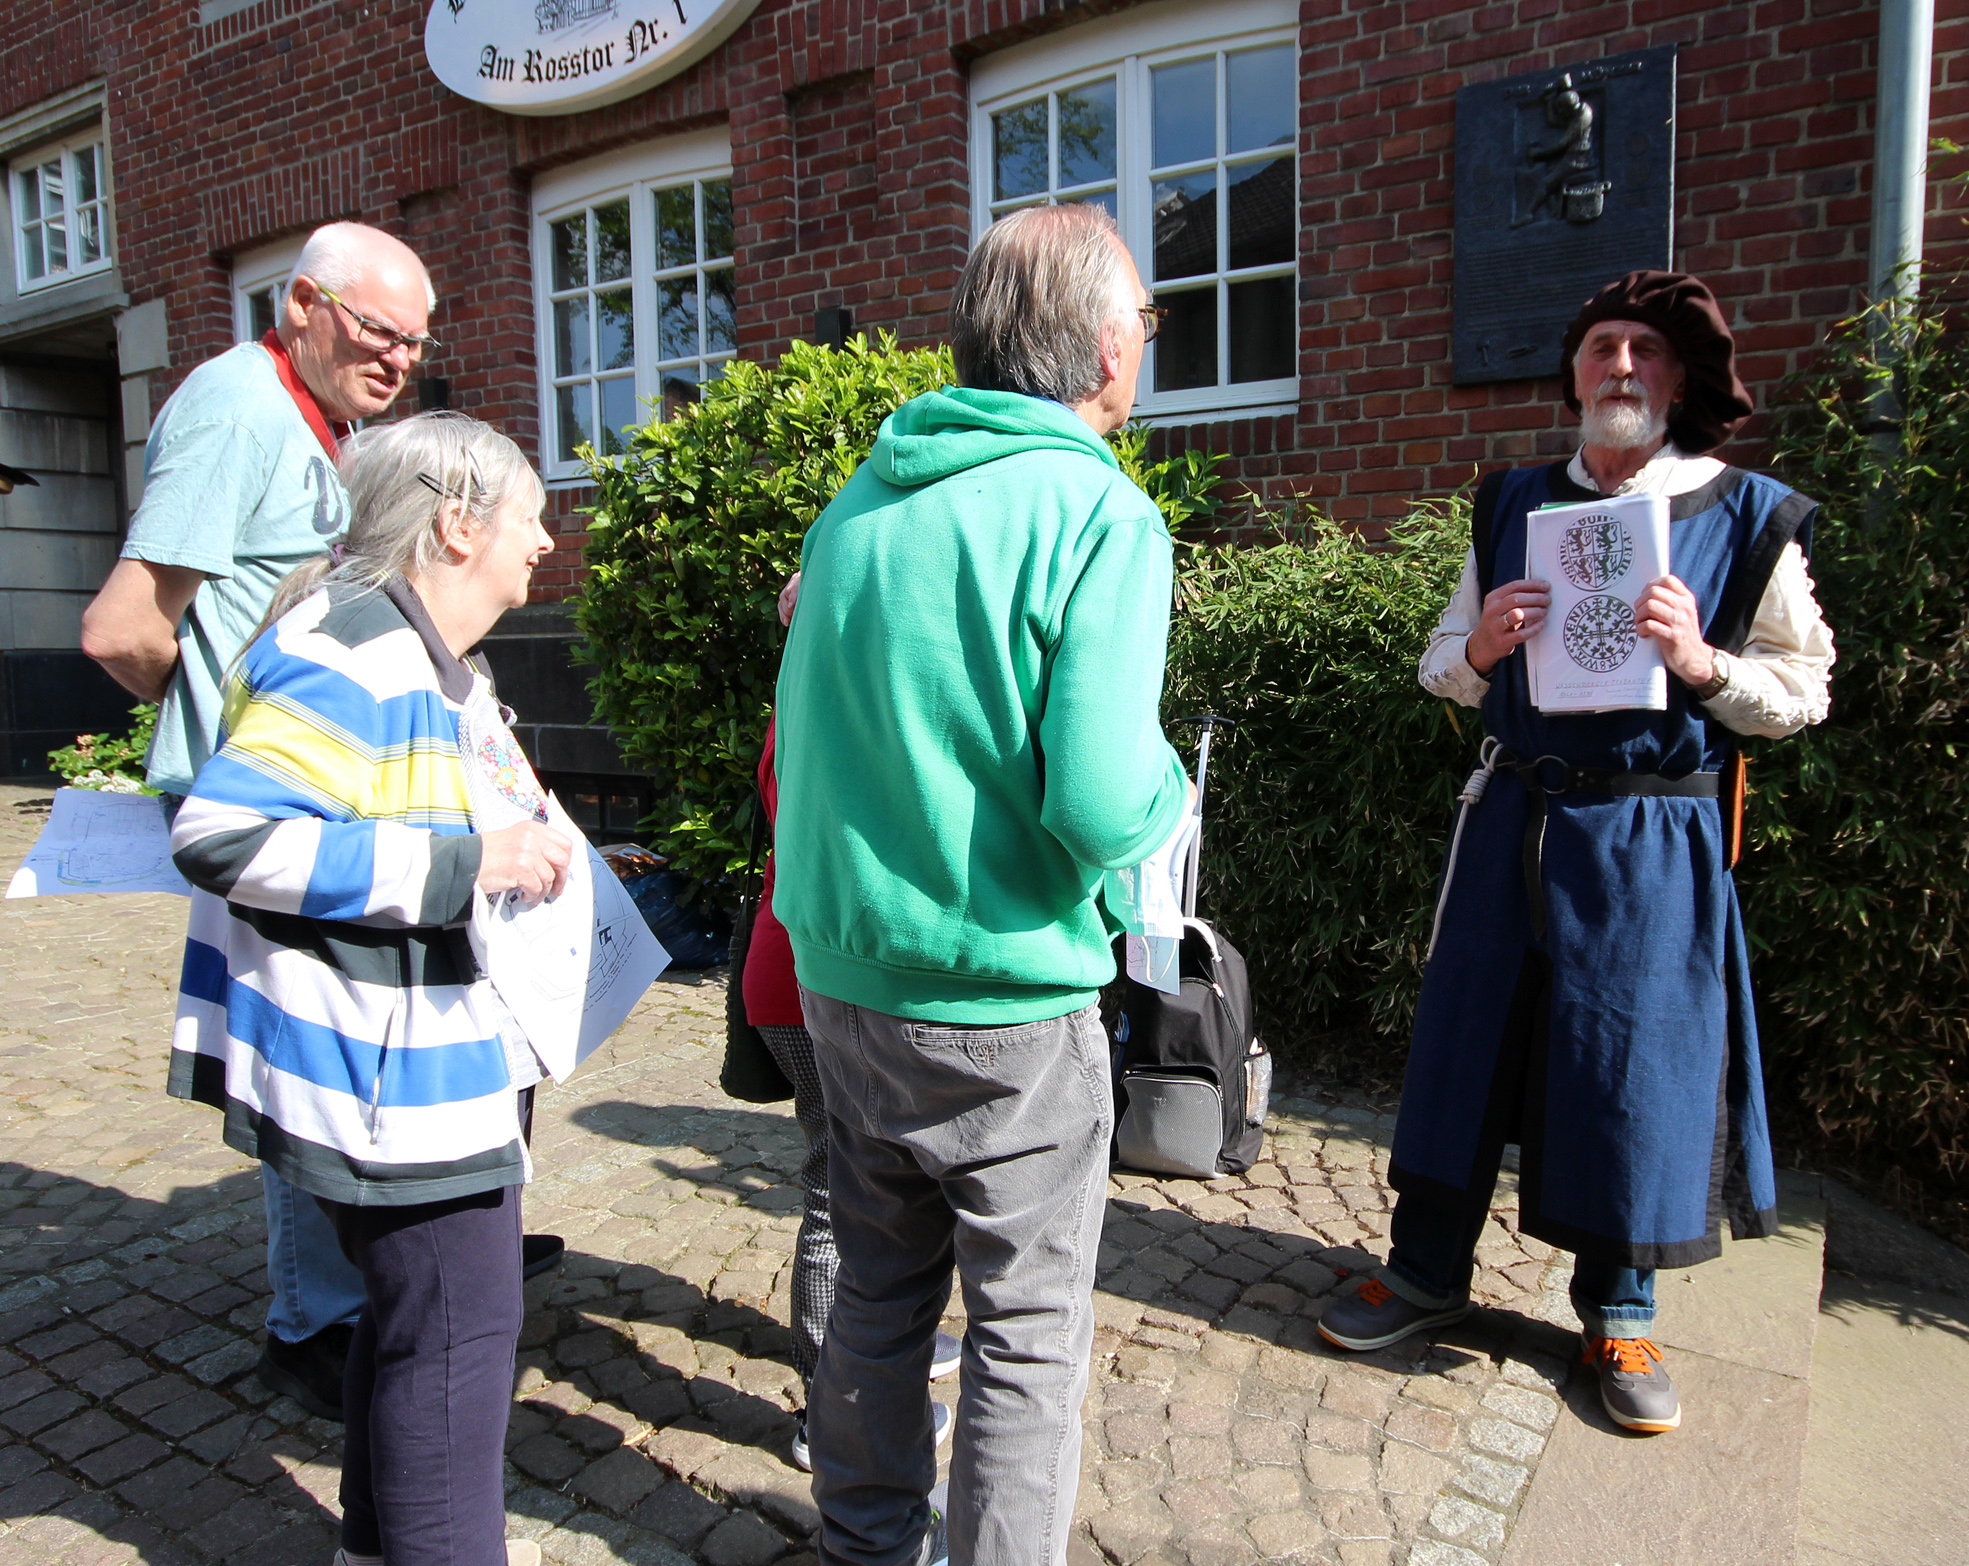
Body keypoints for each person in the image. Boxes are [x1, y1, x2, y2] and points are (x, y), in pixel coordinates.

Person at [1316, 271, 1836, 1436]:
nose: (1617, 368)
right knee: (1468, 1041)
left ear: (1679, 380)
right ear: (1573, 373)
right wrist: (1485, 648)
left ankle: (1619, 1308)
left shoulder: (1746, 517)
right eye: (1600, 347)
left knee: (1627, 1068)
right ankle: (1423, 1272)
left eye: (1642, 353)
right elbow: (1439, 663)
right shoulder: (1512, 502)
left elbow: (1802, 692)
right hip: (1513, 815)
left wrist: (1702, 665)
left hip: (1654, 834)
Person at [772, 202, 1192, 1566]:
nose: (1148, 339)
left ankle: (862, 1542)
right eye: (1145, 315)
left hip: (843, 977)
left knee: (878, 1297)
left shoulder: (859, 502)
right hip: (1006, 996)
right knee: (1025, 1332)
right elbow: (1093, 798)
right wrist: (1173, 794)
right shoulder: (1100, 513)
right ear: (1097, 346)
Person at [166, 412, 567, 1566]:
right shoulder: (356, 649)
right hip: (392, 1087)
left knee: (413, 1330)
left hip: (400, 1066)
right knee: (457, 1340)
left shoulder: (402, 646)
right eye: (529, 518)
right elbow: (225, 832)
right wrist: (467, 864)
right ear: (456, 526)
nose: (543, 542)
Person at [79, 222, 436, 1420]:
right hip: (266, 795)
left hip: (315, 781)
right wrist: (224, 731)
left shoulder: (319, 420)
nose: (397, 361)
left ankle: (379, 1271)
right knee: (303, 1043)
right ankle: (316, 1321)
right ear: (301, 305)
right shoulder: (236, 405)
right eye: (379, 332)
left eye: (415, 346)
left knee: (348, 1029)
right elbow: (126, 624)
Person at [743, 582, 961, 1475]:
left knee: (866, 1183)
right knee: (839, 1191)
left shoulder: (805, 692)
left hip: (795, 971)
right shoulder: (838, 708)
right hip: (809, 980)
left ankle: (870, 1353)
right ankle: (830, 1409)